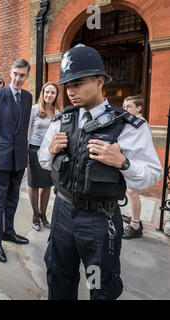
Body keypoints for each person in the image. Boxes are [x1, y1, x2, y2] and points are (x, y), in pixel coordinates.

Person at [38, 44, 163, 300]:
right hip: (62, 212)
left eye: (79, 83)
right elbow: (43, 162)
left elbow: (152, 173)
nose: (72, 91)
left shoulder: (127, 126)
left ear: (99, 81)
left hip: (99, 218)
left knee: (101, 285)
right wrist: (50, 150)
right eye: (69, 85)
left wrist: (122, 162)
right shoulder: (62, 120)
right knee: (58, 275)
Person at [0, 59, 33, 263]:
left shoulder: (28, 97)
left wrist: (26, 152)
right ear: (10, 73)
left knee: (13, 199)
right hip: (0, 157)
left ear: (27, 76)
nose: (18, 79)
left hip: (19, 157)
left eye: (22, 75)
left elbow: (24, 129)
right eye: (15, 74)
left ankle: (8, 232)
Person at [27, 82, 61, 231]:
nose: (49, 95)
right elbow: (26, 131)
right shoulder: (34, 110)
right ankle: (35, 215)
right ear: (43, 93)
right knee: (34, 184)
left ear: (56, 95)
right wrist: (25, 151)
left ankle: (43, 215)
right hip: (34, 150)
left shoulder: (58, 113)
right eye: (47, 92)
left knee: (47, 185)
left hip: (50, 152)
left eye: (52, 93)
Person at [121, 96, 150, 239]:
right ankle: (135, 217)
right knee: (130, 191)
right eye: (124, 106)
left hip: (136, 163)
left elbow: (141, 147)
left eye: (129, 106)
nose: (125, 109)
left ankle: (135, 226)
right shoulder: (129, 121)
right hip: (128, 162)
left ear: (138, 108)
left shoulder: (141, 123)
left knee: (132, 191)